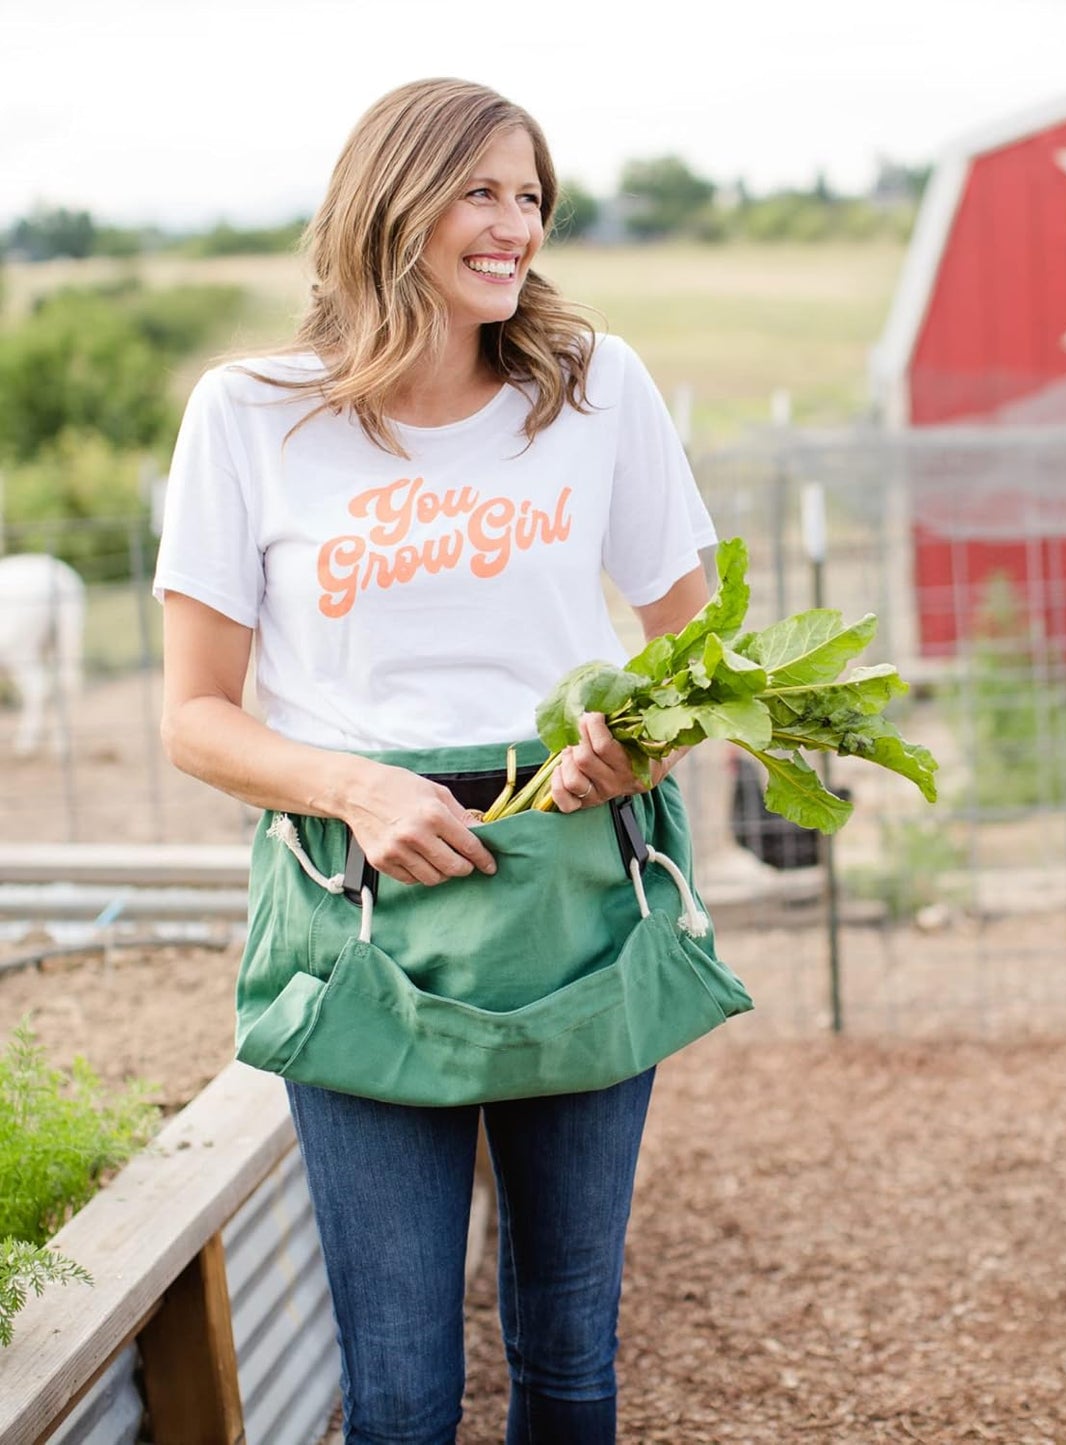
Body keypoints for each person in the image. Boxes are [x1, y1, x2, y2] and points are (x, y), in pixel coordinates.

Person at [154, 77, 728, 1445]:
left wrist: (630, 741)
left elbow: (698, 657)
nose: (514, 225)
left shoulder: (594, 388)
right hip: (361, 910)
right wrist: (356, 785)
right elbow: (194, 714)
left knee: (571, 1362)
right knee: (402, 1394)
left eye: (530, 195)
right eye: (480, 189)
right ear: (389, 202)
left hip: (574, 893)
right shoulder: (251, 415)